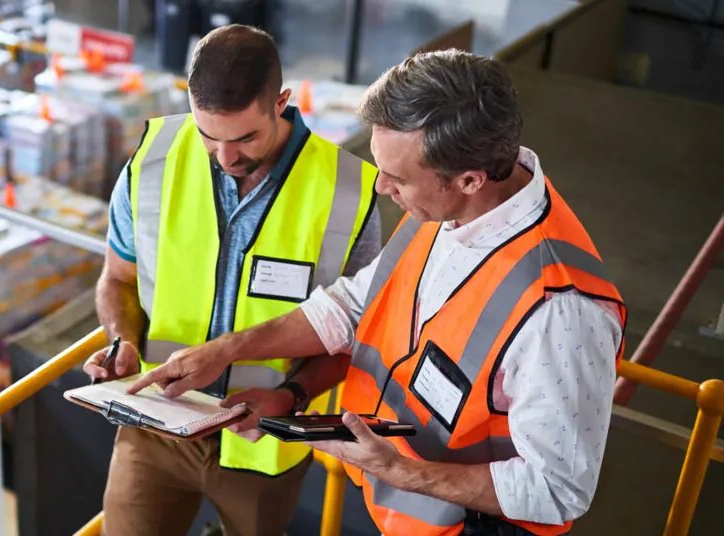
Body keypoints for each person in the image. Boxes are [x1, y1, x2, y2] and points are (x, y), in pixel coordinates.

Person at [129, 49, 628, 536]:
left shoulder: (561, 311)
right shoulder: (448, 207)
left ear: (471, 179)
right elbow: (351, 305)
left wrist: (399, 470)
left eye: (398, 178)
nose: (383, 187)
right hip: (404, 512)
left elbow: (559, 489)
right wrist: (229, 350)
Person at [83, 24, 383, 536]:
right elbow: (118, 278)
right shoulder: (152, 161)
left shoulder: (349, 192)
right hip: (155, 424)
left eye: (246, 137)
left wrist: (290, 395)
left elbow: (357, 334)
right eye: (209, 136)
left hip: (262, 445)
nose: (226, 158)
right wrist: (122, 341)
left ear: (281, 103)